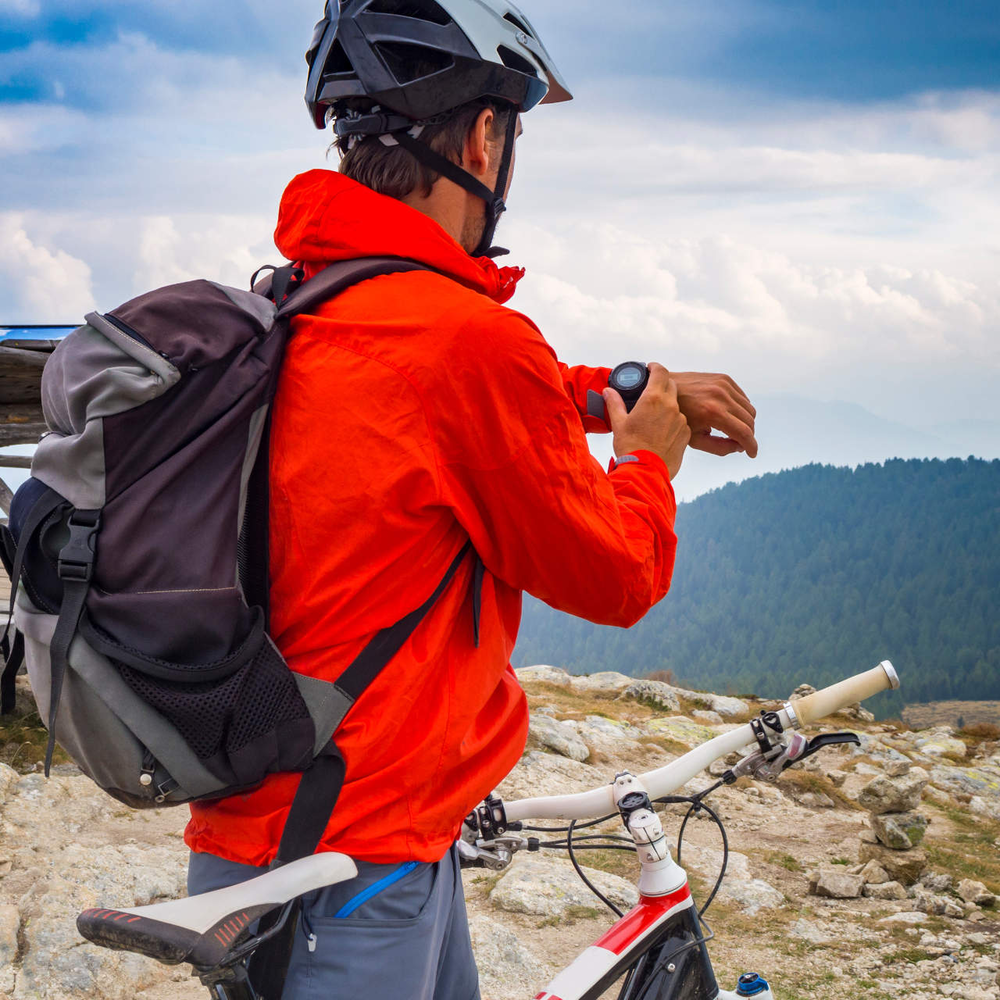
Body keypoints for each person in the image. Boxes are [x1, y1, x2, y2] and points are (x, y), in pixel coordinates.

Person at [185, 1, 757, 996]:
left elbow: (442, 408)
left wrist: (612, 386)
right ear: (484, 136)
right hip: (351, 861)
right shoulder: (464, 343)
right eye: (515, 133)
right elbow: (617, 573)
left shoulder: (295, 302)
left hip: (286, 828)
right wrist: (646, 463)